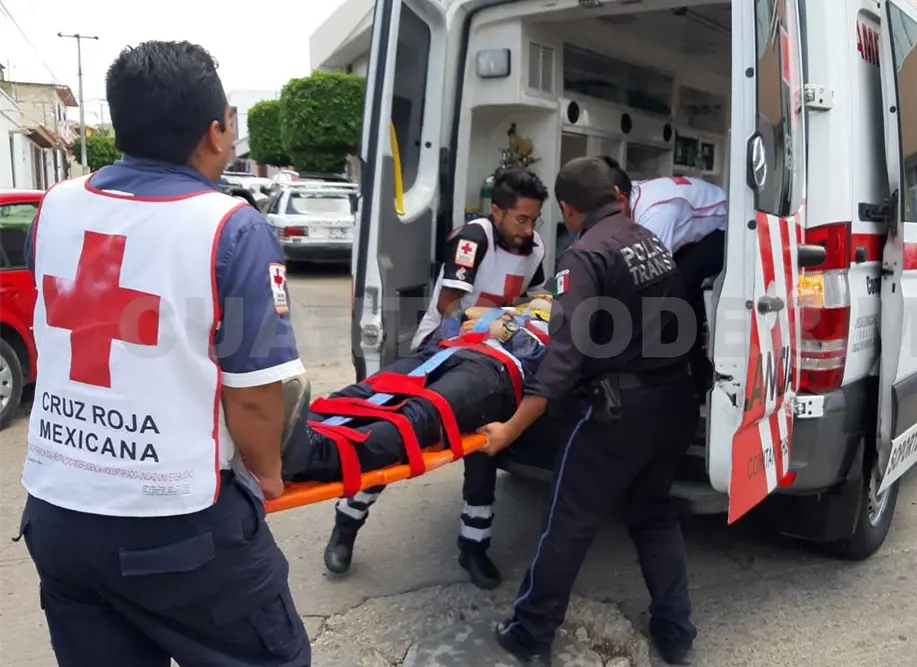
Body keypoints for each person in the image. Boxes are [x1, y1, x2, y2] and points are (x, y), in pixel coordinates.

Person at [14, 41, 311, 666]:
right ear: (213, 133)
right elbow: (255, 394)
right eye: (230, 119)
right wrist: (267, 475)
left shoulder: (56, 207)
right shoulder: (230, 227)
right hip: (178, 528)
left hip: (59, 515)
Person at [478, 157, 700, 666]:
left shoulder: (584, 256)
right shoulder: (651, 243)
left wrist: (511, 429)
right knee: (654, 515)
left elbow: (563, 358)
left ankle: (530, 633)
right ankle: (676, 632)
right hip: (675, 400)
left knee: (569, 521)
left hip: (621, 410)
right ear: (617, 197)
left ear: (567, 208)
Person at [323, 168, 552, 587]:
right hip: (445, 345)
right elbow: (450, 307)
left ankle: (473, 545)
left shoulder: (533, 246)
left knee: (483, 447)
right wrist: (483, 326)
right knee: (402, 432)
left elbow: (529, 299)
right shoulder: (474, 239)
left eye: (534, 219)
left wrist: (516, 323)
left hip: (494, 352)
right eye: (521, 219)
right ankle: (347, 524)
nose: (528, 229)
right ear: (497, 211)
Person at [281, 302, 554, 483]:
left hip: (496, 369)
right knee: (369, 390)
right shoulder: (515, 309)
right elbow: (456, 318)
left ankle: (317, 454)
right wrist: (470, 316)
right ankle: (289, 428)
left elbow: (556, 362)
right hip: (447, 350)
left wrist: (506, 330)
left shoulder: (567, 323)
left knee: (422, 413)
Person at [601, 156, 727, 401]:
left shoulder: (655, 213)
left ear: (620, 198)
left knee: (677, 287)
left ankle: (695, 379)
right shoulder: (629, 195)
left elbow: (651, 273)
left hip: (724, 225)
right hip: (692, 231)